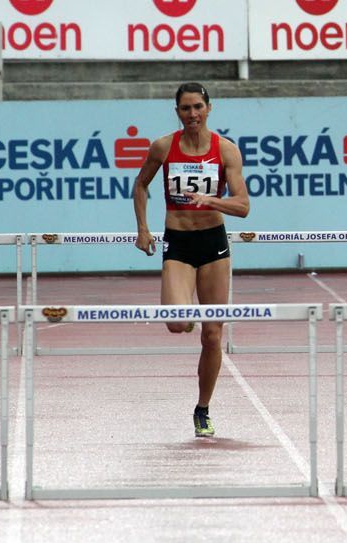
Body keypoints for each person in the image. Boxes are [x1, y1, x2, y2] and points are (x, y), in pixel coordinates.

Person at [132, 82, 251, 438]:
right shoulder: (163, 147)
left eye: (198, 107)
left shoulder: (226, 151)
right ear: (178, 112)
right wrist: (142, 228)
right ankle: (187, 317)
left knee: (213, 336)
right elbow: (140, 185)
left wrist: (210, 200)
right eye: (186, 108)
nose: (193, 114)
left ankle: (203, 409)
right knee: (175, 322)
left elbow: (243, 206)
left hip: (213, 243)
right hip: (178, 242)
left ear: (209, 108)